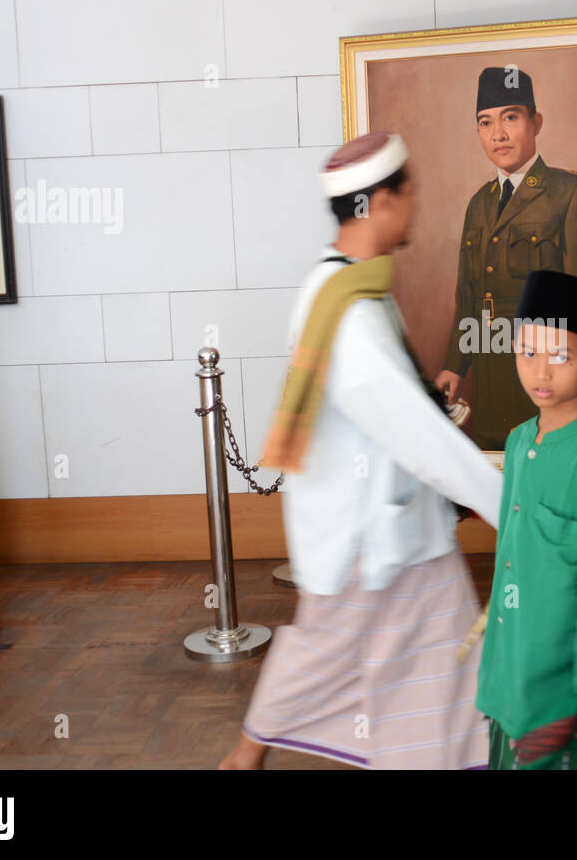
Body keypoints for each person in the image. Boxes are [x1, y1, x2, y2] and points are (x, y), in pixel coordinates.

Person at [220, 132, 503, 770]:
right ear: (378, 203)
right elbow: (415, 433)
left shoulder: (353, 287)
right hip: (370, 542)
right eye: (409, 195)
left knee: (437, 668)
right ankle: (243, 759)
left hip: (392, 534)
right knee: (333, 661)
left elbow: (403, 413)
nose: (415, 209)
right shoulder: (349, 310)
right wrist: (507, 502)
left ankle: (247, 758)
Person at [476, 269, 577, 770]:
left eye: (560, 357)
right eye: (527, 352)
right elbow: (510, 557)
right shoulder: (519, 440)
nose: (540, 373)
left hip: (564, 696)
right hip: (512, 675)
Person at [435, 67, 577, 451]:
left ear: (537, 122)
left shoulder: (572, 194)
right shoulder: (478, 205)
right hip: (488, 385)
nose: (498, 134)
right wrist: (455, 365)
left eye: (510, 118)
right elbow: (468, 297)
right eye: (486, 122)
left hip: (546, 387)